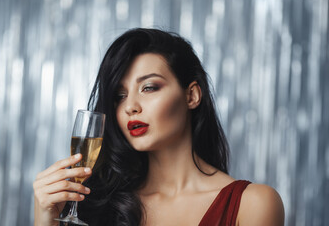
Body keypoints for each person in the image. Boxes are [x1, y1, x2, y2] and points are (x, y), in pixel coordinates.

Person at [33, 28, 284, 226]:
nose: (130, 106)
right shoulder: (95, 203)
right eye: (119, 96)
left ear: (192, 96)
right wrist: (44, 219)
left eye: (149, 87)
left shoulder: (252, 204)